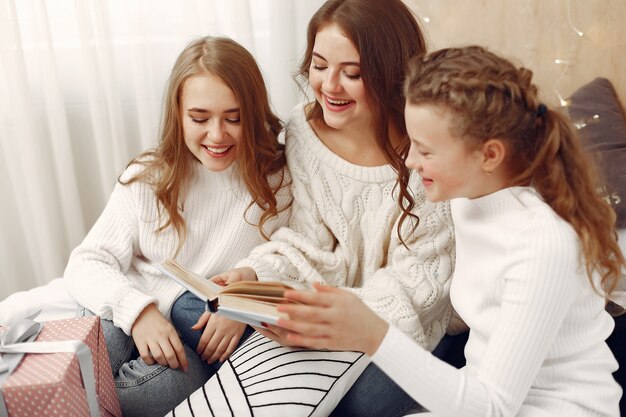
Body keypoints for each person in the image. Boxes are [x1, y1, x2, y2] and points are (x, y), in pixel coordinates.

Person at [276, 45, 624, 416]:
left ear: (489, 155)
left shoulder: (543, 241)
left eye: (426, 151)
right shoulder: (465, 200)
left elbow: (492, 406)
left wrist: (372, 333)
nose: (410, 161)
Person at [171, 1, 455, 416]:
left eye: (352, 73)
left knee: (364, 402)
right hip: (323, 307)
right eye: (320, 66)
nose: (330, 86)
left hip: (398, 328)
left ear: (391, 72)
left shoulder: (429, 151)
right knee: (191, 306)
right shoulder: (303, 130)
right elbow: (308, 240)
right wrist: (254, 278)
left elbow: (418, 290)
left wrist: (323, 323)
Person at [64, 36, 291, 417]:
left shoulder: (278, 183)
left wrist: (244, 303)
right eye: (200, 119)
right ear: (178, 114)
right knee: (100, 344)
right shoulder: (148, 177)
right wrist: (137, 311)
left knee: (167, 389)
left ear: (252, 113)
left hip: (193, 336)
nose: (217, 135)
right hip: (131, 307)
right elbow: (86, 261)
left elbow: (293, 256)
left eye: (233, 118)